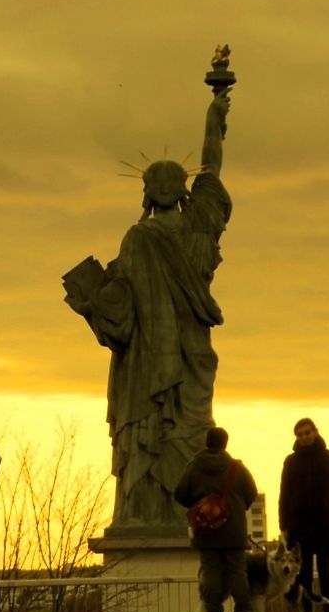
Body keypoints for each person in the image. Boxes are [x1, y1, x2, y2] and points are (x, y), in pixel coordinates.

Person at [65, 87, 233, 530]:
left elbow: (117, 318)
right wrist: (214, 119)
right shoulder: (199, 228)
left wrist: (89, 301)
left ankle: (142, 513)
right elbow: (212, 168)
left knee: (146, 435)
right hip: (192, 356)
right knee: (191, 432)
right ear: (182, 191)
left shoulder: (136, 240)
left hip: (144, 366)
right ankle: (187, 513)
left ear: (146, 193)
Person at [174, 427, 258, 612]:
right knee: (237, 570)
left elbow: (180, 493)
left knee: (210, 570)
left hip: (206, 531)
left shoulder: (194, 466)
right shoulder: (237, 468)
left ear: (207, 442)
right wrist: (236, 510)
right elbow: (251, 493)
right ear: (225, 443)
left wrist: (199, 506)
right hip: (234, 530)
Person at [278, 417, 329, 612]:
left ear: (315, 432)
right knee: (304, 572)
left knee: (325, 570)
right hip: (299, 523)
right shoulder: (290, 461)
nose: (304, 437)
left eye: (307, 433)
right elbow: (284, 494)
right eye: (300, 435)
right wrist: (284, 525)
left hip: (325, 522)